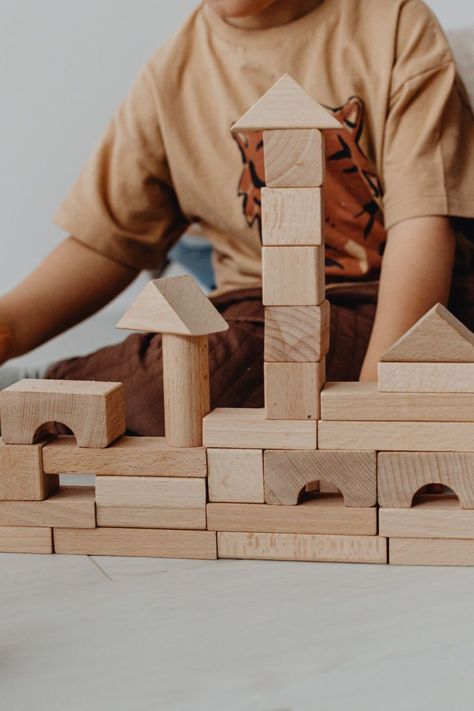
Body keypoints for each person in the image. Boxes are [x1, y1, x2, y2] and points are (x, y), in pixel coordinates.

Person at [0, 0, 473, 435]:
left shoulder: (395, 25)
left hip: (393, 299)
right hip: (259, 312)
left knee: (233, 365)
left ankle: (50, 396)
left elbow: (422, 228)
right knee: (202, 360)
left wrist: (372, 406)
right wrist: (9, 330)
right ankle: (41, 393)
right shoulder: (172, 75)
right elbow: (105, 242)